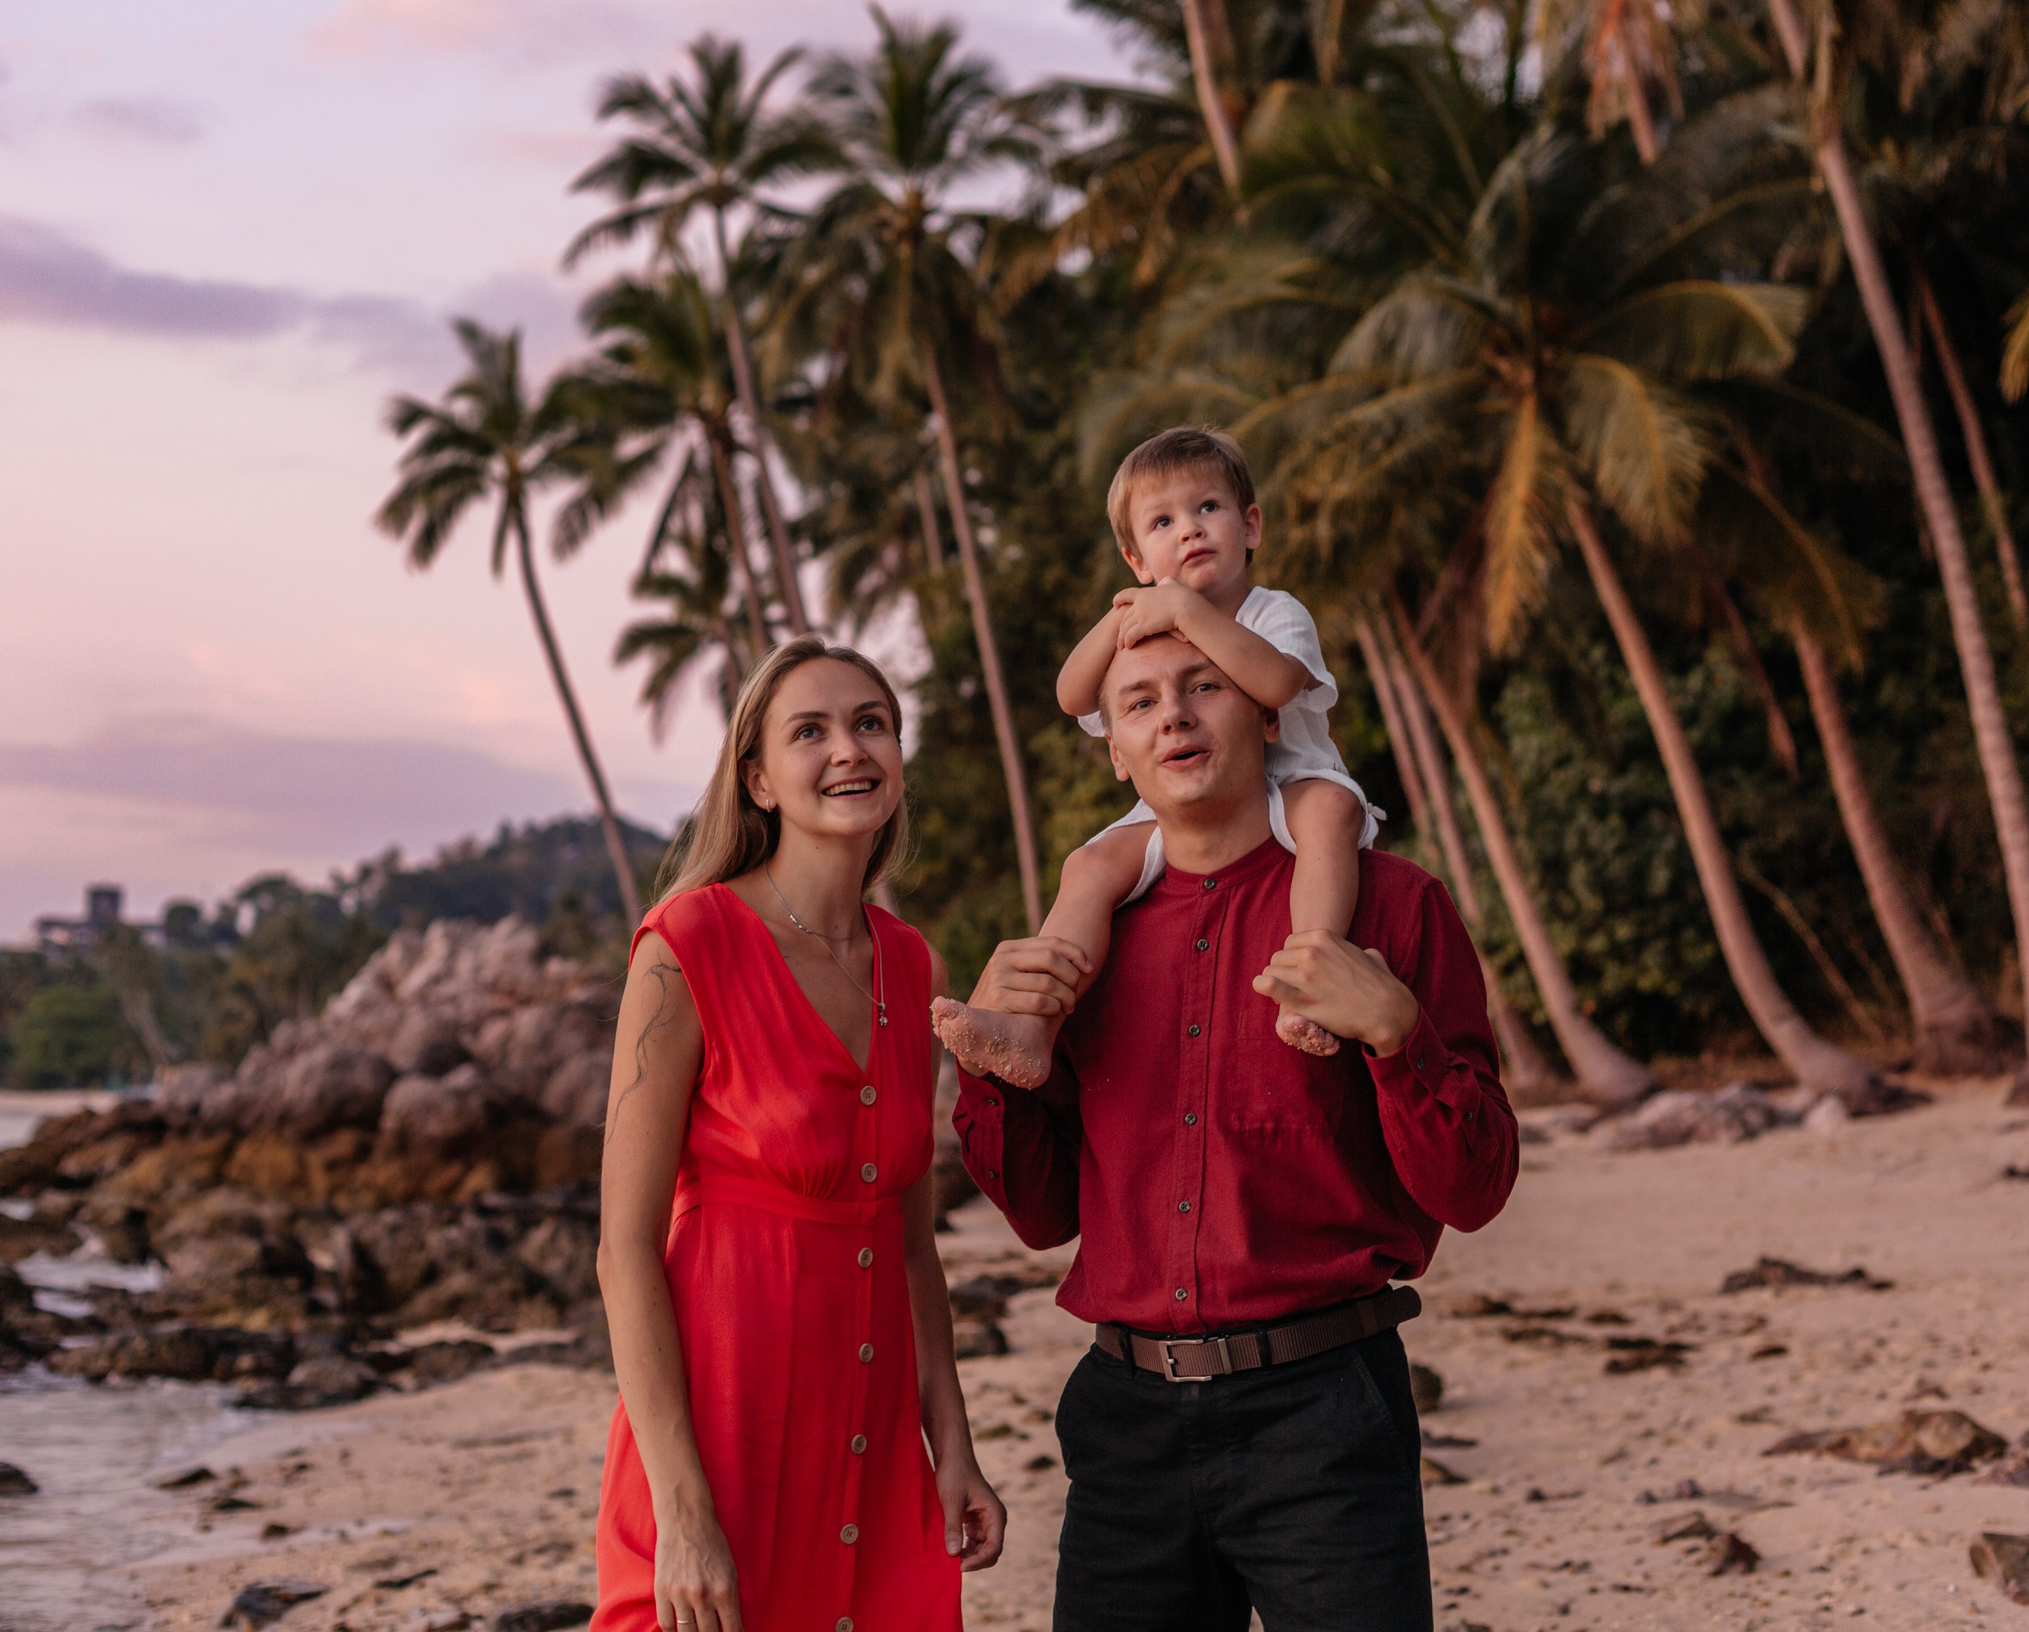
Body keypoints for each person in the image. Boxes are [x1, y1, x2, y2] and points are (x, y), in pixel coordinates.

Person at [952, 627, 1520, 1632]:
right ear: (1118, 754)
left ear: (1264, 711)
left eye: (1202, 685)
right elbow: (1042, 1217)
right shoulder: (1075, 951)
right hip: (1121, 1428)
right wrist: (986, 1072)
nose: (1172, 713)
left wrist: (1395, 1033)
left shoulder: (1391, 907)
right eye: (1138, 702)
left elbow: (1472, 1192)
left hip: (1324, 1415)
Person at [593, 636, 1005, 1632]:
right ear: (758, 780)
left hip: (871, 1457)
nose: (849, 751)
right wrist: (685, 1512)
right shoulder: (688, 943)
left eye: (871, 723)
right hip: (723, 1450)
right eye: (809, 731)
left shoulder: (910, 965)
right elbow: (624, 1252)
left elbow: (912, 1246)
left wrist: (951, 1447)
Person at [932, 426, 1380, 1081]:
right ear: (1137, 559)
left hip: (1292, 778)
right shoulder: (1142, 628)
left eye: (1209, 508)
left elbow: (1278, 684)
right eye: (1164, 521)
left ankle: (1310, 981)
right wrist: (1122, 617)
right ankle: (1032, 1027)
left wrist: (1187, 612)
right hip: (1179, 801)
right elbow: (1069, 693)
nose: (1191, 529)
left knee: (1334, 814)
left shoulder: (1273, 611)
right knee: (1088, 864)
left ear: (1250, 526)